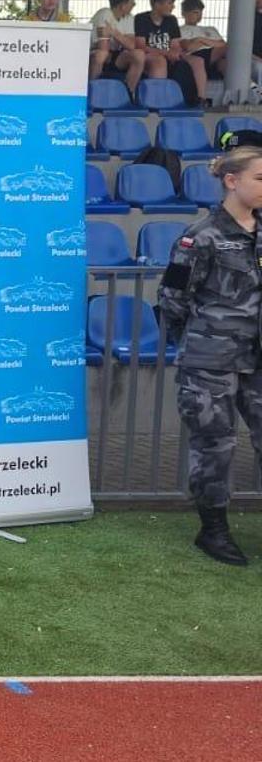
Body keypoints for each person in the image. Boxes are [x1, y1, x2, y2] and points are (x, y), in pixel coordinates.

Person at [157, 139, 262, 567]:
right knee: (215, 446)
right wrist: (198, 344)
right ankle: (213, 529)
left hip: (257, 360)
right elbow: (172, 299)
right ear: (232, 181)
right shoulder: (200, 237)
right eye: (260, 178)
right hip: (210, 361)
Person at [137, 0, 203, 107]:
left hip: (168, 54)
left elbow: (175, 44)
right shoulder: (141, 18)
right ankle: (157, 100)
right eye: (169, 3)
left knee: (197, 61)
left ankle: (200, 99)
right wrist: (166, 53)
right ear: (157, 4)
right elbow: (141, 46)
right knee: (160, 61)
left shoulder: (171, 20)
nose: (173, 6)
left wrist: (176, 53)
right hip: (150, 55)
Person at [90, 0, 147, 95]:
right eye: (132, 3)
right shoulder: (104, 13)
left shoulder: (129, 18)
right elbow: (103, 46)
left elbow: (131, 45)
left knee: (139, 54)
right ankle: (92, 92)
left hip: (115, 54)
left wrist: (113, 32)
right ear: (123, 5)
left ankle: (129, 93)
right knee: (101, 55)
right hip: (95, 52)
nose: (134, 5)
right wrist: (122, 39)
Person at [179, 0, 229, 81]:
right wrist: (212, 43)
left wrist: (200, 39)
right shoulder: (180, 30)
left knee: (225, 64)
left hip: (216, 58)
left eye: (200, 12)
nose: (199, 15)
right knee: (231, 49)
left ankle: (253, 89)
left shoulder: (211, 29)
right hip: (197, 56)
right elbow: (189, 47)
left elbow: (223, 44)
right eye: (195, 12)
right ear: (184, 13)